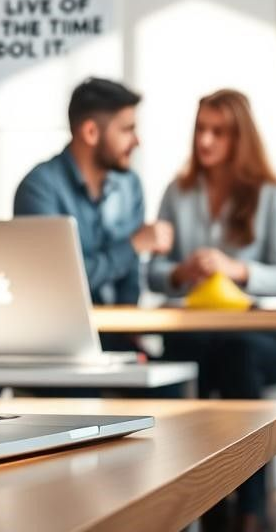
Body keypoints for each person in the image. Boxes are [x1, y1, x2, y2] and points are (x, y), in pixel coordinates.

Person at [147, 89, 276, 532]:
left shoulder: (271, 196)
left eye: (218, 132)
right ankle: (189, 500)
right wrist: (180, 273)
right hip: (196, 332)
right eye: (200, 130)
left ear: (239, 137)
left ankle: (244, 505)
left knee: (239, 355)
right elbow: (153, 274)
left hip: (260, 336)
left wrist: (238, 270)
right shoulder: (178, 192)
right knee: (180, 358)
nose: (205, 141)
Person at [13, 78, 172, 349]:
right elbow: (58, 283)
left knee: (170, 386)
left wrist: (128, 329)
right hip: (57, 336)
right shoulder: (39, 188)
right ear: (90, 132)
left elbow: (130, 278)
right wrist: (132, 246)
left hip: (113, 331)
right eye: (127, 130)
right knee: (84, 390)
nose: (136, 141)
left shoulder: (129, 185)